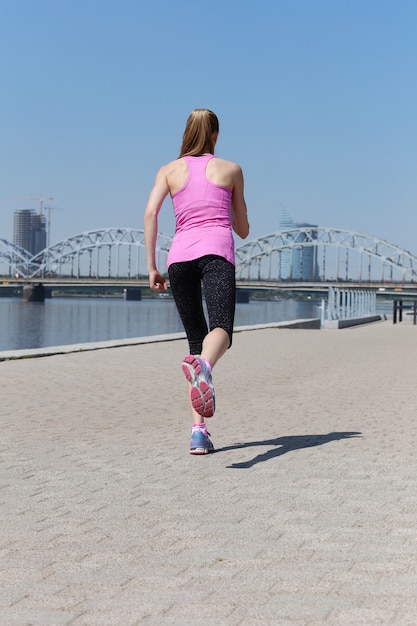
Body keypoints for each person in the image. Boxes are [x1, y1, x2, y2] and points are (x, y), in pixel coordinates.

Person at [144, 109, 249, 455]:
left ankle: (198, 434)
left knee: (195, 342)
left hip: (179, 260)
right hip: (217, 254)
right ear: (216, 135)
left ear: (187, 133)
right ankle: (205, 366)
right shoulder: (231, 169)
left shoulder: (169, 170)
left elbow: (150, 213)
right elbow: (242, 228)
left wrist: (152, 268)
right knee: (221, 331)